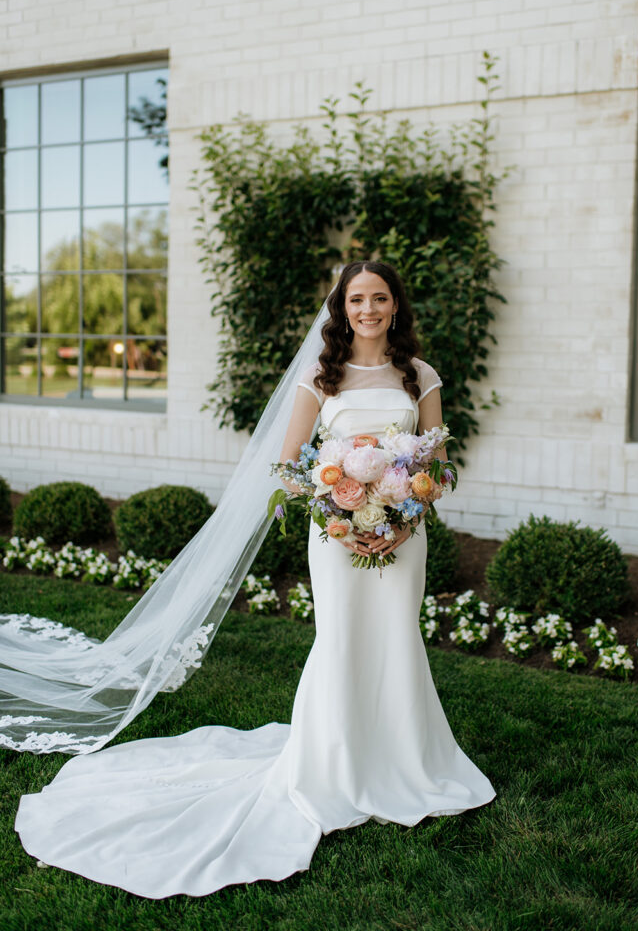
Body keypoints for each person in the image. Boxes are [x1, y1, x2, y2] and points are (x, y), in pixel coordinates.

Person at [12, 260, 496, 898]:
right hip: (338, 534)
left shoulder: (421, 376)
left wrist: (406, 518)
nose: (370, 309)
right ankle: (335, 765)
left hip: (404, 535)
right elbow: (290, 462)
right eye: (358, 299)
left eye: (381, 298)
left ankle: (405, 760)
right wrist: (342, 517)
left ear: (396, 306)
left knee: (398, 638)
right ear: (342, 307)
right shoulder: (320, 377)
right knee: (343, 640)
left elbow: (434, 460)